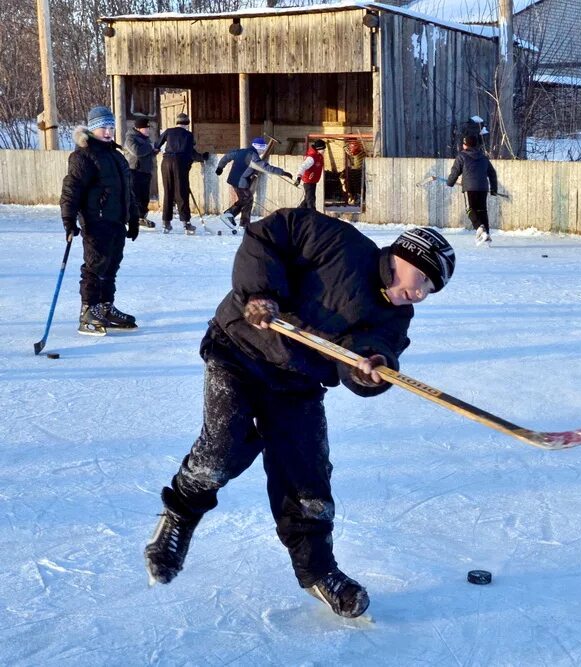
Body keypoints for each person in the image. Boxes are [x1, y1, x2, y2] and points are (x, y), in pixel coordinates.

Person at [143, 213, 456, 619]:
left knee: (307, 475)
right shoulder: (339, 243)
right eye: (425, 280)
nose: (423, 294)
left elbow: (366, 359)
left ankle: (318, 572)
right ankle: (179, 517)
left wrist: (372, 368)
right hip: (239, 348)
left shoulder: (395, 318)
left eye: (433, 290)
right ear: (405, 258)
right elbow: (269, 234)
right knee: (223, 447)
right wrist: (260, 292)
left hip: (297, 382)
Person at [60, 105, 141, 335]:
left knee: (111, 267)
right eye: (103, 128)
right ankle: (88, 310)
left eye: (111, 127)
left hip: (116, 221)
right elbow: (71, 190)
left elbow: (128, 191)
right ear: (92, 130)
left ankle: (105, 307)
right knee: (95, 267)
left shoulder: (116, 155)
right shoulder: (83, 155)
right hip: (96, 221)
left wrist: (133, 217)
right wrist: (68, 219)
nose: (108, 132)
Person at [216, 137, 293, 227]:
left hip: (234, 179)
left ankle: (244, 223)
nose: (263, 150)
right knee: (247, 199)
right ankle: (229, 214)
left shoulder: (241, 151)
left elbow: (227, 156)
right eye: (262, 148)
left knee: (247, 199)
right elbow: (266, 168)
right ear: (258, 147)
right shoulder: (253, 157)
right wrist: (283, 172)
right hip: (240, 182)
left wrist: (220, 167)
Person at [154, 112, 208, 234]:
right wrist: (202, 157)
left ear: (177, 122)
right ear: (187, 123)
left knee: (168, 191)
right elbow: (191, 153)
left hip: (166, 162)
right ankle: (186, 223)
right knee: (181, 192)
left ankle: (166, 222)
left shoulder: (168, 131)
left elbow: (157, 144)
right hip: (180, 163)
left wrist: (157, 150)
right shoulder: (188, 135)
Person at [446, 133, 498, 246]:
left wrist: (450, 182)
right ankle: (487, 236)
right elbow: (492, 173)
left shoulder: (462, 156)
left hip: (470, 188)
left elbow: (455, 172)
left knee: (470, 210)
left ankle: (480, 228)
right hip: (483, 188)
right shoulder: (484, 157)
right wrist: (494, 189)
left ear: (466, 145)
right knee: (482, 211)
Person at [123, 117, 158, 229]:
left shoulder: (146, 139)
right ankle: (131, 217)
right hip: (134, 171)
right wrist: (149, 147)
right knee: (135, 196)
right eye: (146, 128)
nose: (148, 130)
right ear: (138, 128)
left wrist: (154, 152)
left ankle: (142, 216)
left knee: (144, 197)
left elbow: (146, 153)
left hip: (145, 171)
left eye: (148, 128)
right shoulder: (130, 138)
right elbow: (137, 151)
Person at [294, 139, 326, 211]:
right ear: (319, 149)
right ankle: (312, 215)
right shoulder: (311, 158)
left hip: (313, 181)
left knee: (307, 200)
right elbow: (302, 167)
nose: (324, 150)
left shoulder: (319, 156)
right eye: (323, 149)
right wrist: (298, 177)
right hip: (308, 181)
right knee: (310, 200)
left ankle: (297, 212)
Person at [341, 138, 366, 206]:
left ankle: (358, 197)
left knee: (356, 184)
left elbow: (349, 151)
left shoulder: (357, 154)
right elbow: (348, 150)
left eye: (351, 147)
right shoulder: (360, 152)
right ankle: (356, 197)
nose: (350, 149)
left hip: (358, 171)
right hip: (358, 170)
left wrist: (345, 145)